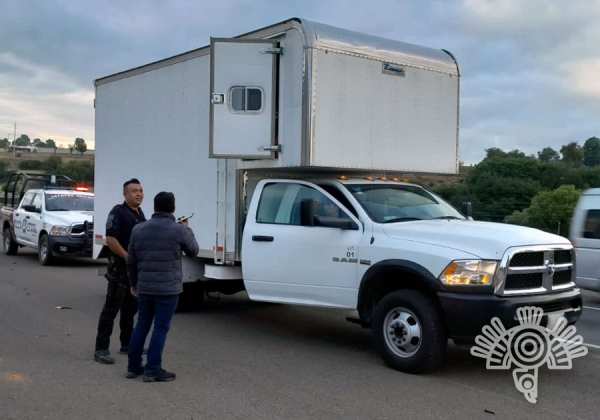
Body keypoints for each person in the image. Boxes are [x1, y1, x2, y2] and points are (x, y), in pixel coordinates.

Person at [125, 191, 199, 382]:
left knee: (141, 325)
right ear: (173, 208)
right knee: (160, 328)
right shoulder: (178, 230)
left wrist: (134, 284)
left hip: (145, 287)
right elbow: (193, 251)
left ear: (154, 207)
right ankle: (153, 369)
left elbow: (130, 261)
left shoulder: (138, 229)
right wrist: (188, 229)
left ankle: (133, 367)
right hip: (168, 289)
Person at [93, 178, 146, 364]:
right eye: (134, 191)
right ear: (125, 194)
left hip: (134, 273)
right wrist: (128, 257)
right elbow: (111, 240)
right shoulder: (118, 212)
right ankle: (101, 349)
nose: (138, 194)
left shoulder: (140, 214)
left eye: (140, 190)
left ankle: (127, 344)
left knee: (130, 310)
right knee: (110, 311)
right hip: (120, 271)